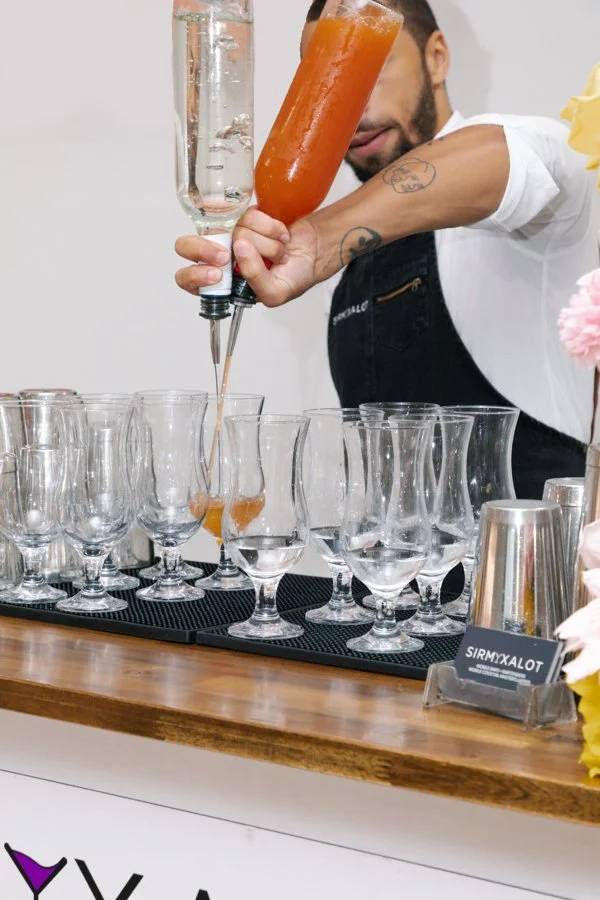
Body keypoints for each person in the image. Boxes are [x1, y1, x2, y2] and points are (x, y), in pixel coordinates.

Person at [174, 0, 599, 499]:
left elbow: (515, 155)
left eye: (369, 70)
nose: (350, 107)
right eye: (323, 82)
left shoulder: (529, 200)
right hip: (388, 572)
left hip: (523, 570)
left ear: (437, 58)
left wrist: (325, 239)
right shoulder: (361, 244)